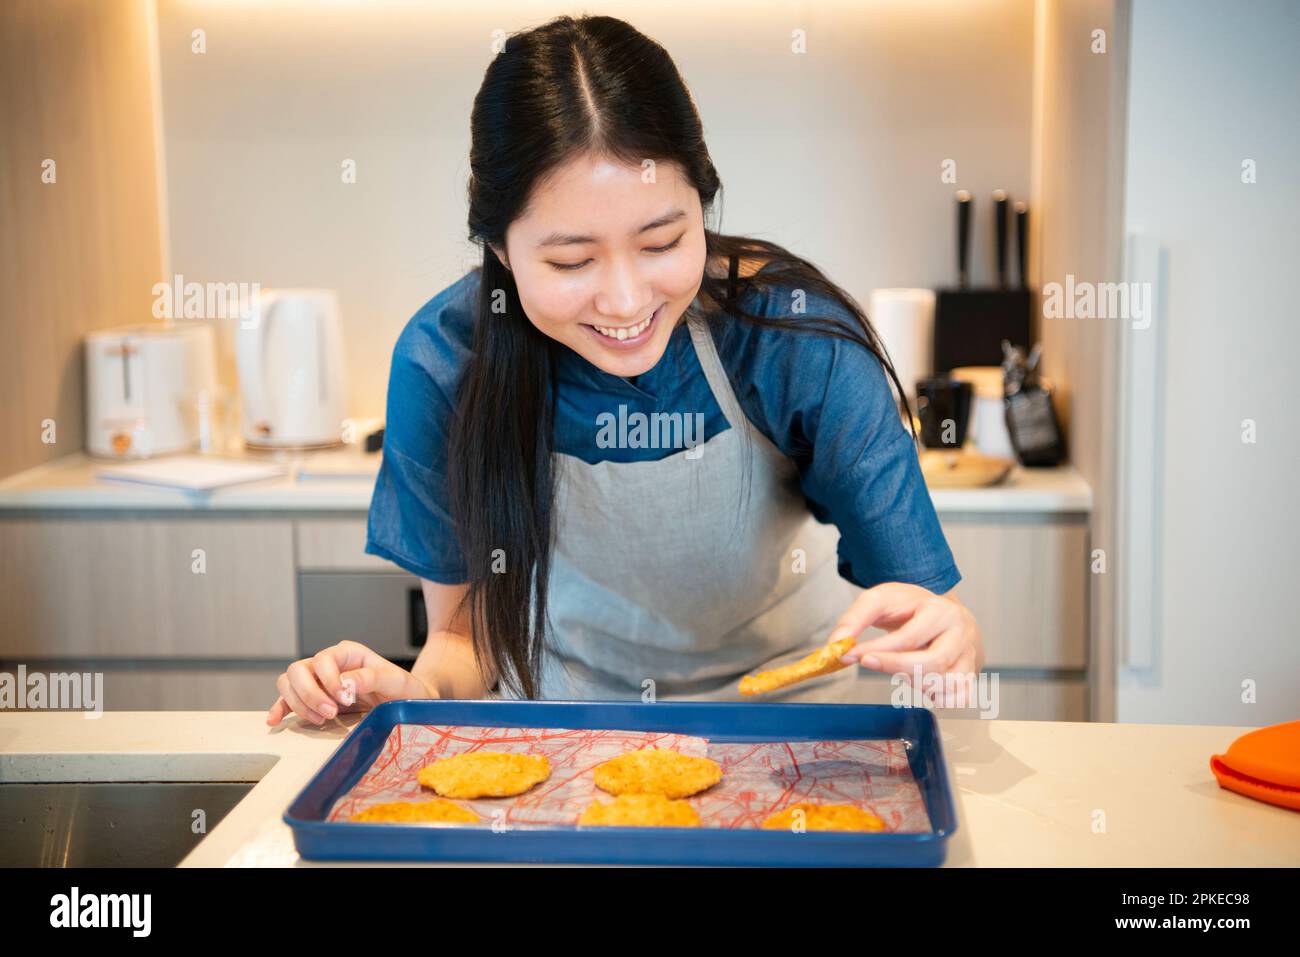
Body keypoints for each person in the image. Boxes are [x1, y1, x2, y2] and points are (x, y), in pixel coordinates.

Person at [267, 14, 983, 727]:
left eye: (662, 241)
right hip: (562, 741)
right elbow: (463, 636)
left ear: (701, 205)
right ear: (499, 248)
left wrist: (947, 638)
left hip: (784, 732)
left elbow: (920, 602)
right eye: (572, 261)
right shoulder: (446, 361)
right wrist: (412, 699)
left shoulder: (791, 340)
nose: (627, 299)